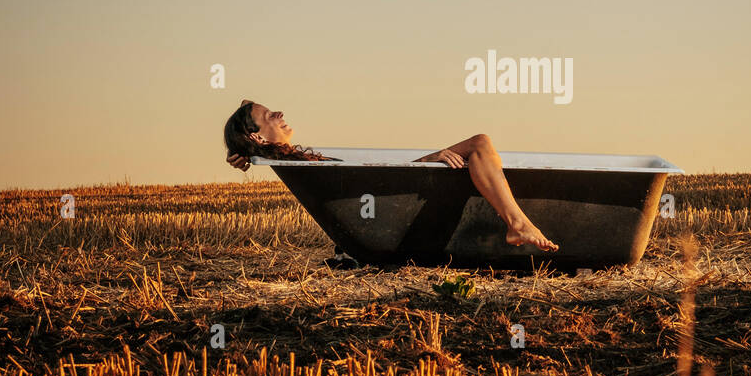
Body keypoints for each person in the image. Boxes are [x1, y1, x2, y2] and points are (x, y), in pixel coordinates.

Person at [223, 99, 557, 251]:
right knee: (481, 143)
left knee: (481, 146)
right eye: (269, 115)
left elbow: (383, 181)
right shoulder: (297, 164)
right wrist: (243, 155)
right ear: (256, 137)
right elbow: (381, 186)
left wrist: (244, 151)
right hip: (394, 205)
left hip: (393, 197)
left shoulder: (299, 160)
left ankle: (516, 223)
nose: (279, 112)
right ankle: (516, 224)